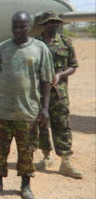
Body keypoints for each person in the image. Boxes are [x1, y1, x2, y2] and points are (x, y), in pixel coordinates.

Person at [0, 11, 54, 199]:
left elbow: (46, 81)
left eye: (22, 26)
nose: (18, 29)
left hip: (27, 112)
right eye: (15, 26)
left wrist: (45, 109)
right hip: (1, 111)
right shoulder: (2, 48)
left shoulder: (40, 49)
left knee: (27, 151)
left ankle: (25, 184)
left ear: (29, 26)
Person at [34, 11, 83, 178]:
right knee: (41, 124)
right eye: (50, 22)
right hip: (39, 93)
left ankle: (65, 162)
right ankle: (46, 156)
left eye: (56, 22)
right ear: (43, 25)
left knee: (62, 124)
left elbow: (73, 65)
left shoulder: (66, 42)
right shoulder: (35, 44)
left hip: (59, 93)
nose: (54, 25)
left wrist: (60, 75)